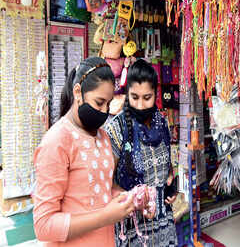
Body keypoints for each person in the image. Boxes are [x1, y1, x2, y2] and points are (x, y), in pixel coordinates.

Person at [33, 57, 135, 247]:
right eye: (99, 102)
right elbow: (43, 225)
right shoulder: (57, 142)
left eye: (108, 104)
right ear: (78, 92)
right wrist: (105, 217)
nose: (104, 111)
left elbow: (101, 189)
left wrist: (127, 198)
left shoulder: (103, 137)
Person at [106, 59, 178, 247]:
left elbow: (167, 168)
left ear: (156, 94)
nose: (140, 105)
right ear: (127, 93)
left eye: (147, 97)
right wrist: (136, 199)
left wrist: (171, 186)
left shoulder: (162, 123)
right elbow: (108, 183)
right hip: (133, 228)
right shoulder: (116, 129)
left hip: (163, 222)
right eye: (134, 97)